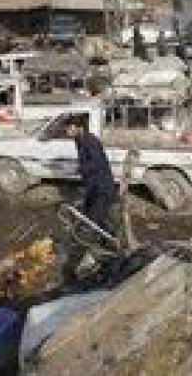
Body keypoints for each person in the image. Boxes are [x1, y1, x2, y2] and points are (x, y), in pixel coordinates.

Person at [63, 115, 116, 283]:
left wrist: (79, 169)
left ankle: (85, 263)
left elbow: (97, 163)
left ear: (79, 127)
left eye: (69, 128)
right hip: (93, 187)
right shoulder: (79, 140)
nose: (67, 131)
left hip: (102, 188)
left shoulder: (90, 141)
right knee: (94, 219)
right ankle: (111, 245)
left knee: (91, 224)